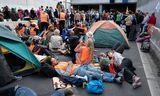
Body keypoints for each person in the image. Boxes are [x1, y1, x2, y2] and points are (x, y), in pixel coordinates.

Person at [51, 58, 123, 83]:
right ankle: (115, 79)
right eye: (53, 61)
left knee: (98, 71)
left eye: (54, 59)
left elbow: (70, 65)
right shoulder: (57, 68)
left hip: (80, 66)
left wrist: (71, 63)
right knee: (97, 75)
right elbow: (66, 74)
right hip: (77, 71)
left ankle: (114, 75)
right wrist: (70, 65)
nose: (55, 60)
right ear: (52, 64)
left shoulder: (60, 62)